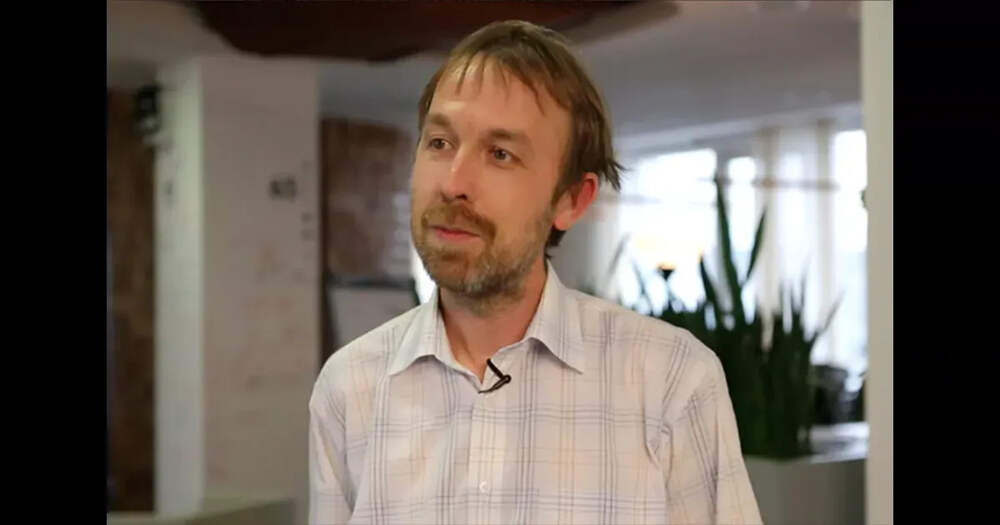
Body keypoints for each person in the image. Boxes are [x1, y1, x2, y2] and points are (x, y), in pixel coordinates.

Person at [309, 19, 762, 525]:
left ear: (571, 200)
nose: (454, 182)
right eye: (439, 142)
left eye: (500, 154)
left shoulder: (670, 381)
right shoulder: (350, 388)